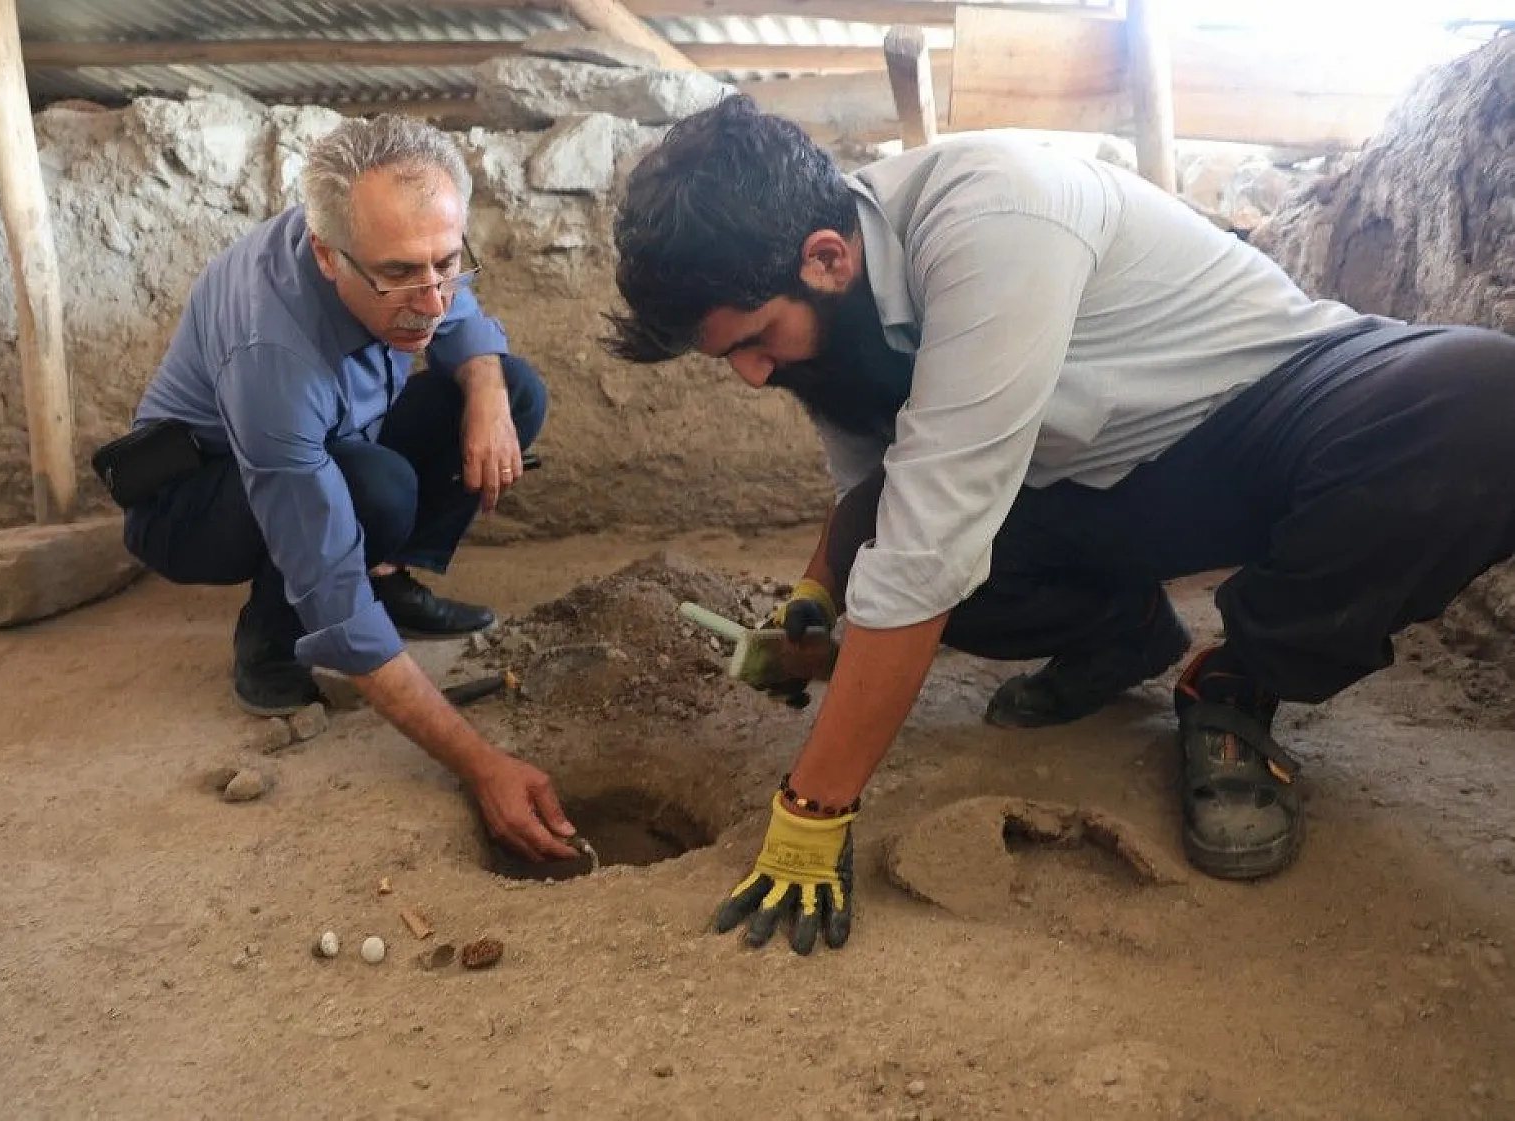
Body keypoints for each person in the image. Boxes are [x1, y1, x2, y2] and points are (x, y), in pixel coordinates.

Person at [606, 95, 1515, 954]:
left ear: (826, 258)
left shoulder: (995, 214)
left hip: (1261, 413)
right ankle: (1124, 638)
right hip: (1093, 481)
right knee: (902, 557)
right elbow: (869, 490)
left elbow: (927, 542)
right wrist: (814, 599)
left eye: (755, 341)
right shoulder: (829, 318)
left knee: (1485, 402)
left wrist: (814, 809)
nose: (753, 377)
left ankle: (1237, 683)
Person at [116, 115, 578, 861]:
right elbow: (324, 561)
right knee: (373, 488)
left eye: (446, 262)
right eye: (399, 274)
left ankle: (389, 577)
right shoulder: (274, 350)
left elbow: (456, 316)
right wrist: (479, 763)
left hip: (334, 448)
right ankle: (270, 645)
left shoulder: (403, 250)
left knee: (513, 388)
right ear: (328, 256)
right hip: (193, 500)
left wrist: (487, 395)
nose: (430, 299)